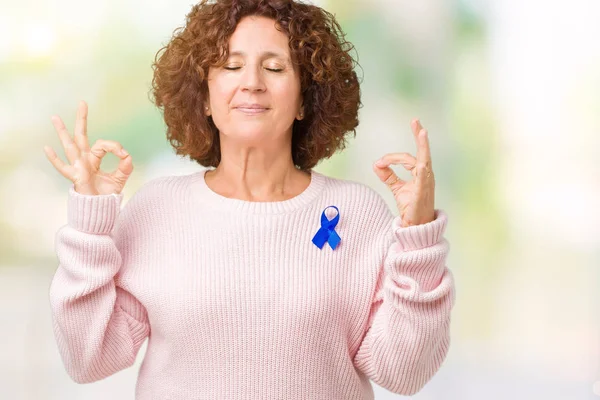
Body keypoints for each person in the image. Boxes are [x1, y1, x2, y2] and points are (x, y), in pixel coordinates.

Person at [43, 0, 455, 398]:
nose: (252, 82)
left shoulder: (358, 214)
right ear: (204, 97)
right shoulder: (157, 210)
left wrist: (418, 236)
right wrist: (90, 227)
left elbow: (403, 371)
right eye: (231, 66)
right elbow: (88, 359)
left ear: (304, 100)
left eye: (275, 67)